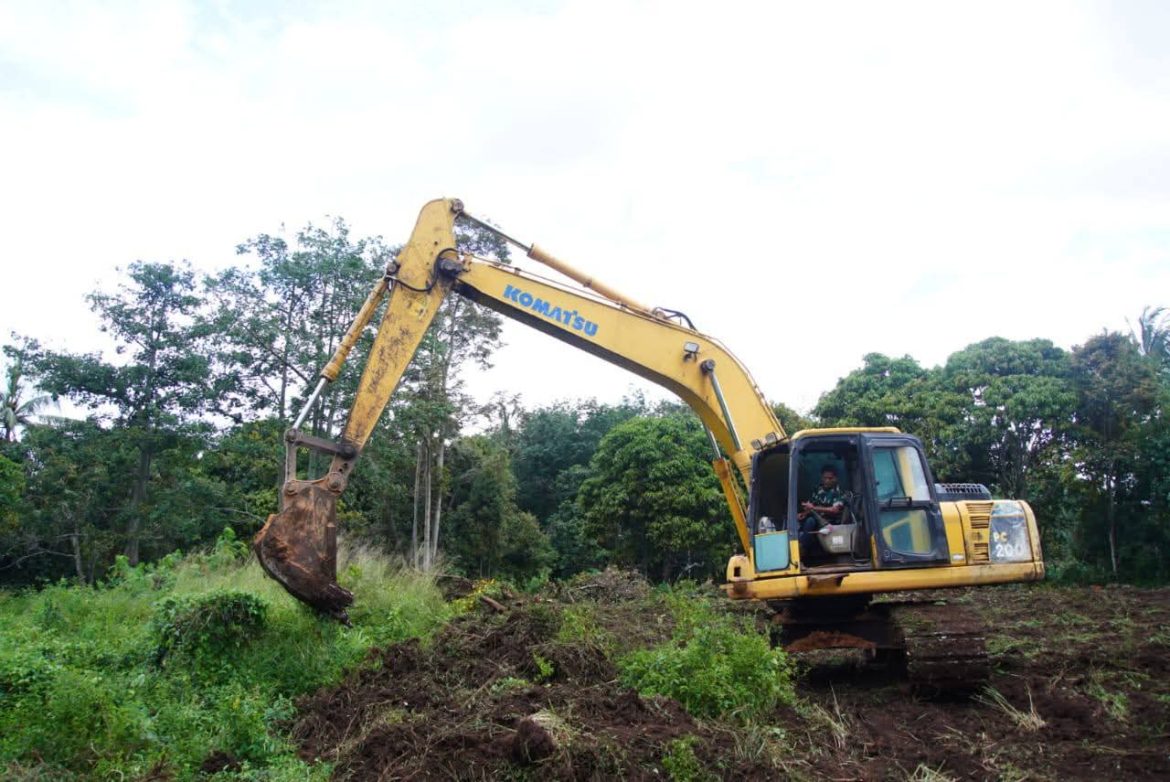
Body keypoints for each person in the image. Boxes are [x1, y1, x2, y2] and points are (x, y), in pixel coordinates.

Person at [798, 465, 846, 552]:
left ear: (835, 479)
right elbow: (811, 506)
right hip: (816, 520)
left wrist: (813, 508)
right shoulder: (818, 489)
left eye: (830, 478)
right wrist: (803, 514)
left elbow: (834, 510)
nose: (827, 481)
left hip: (830, 522)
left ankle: (801, 548)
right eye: (825, 478)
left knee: (810, 521)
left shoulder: (839, 492)